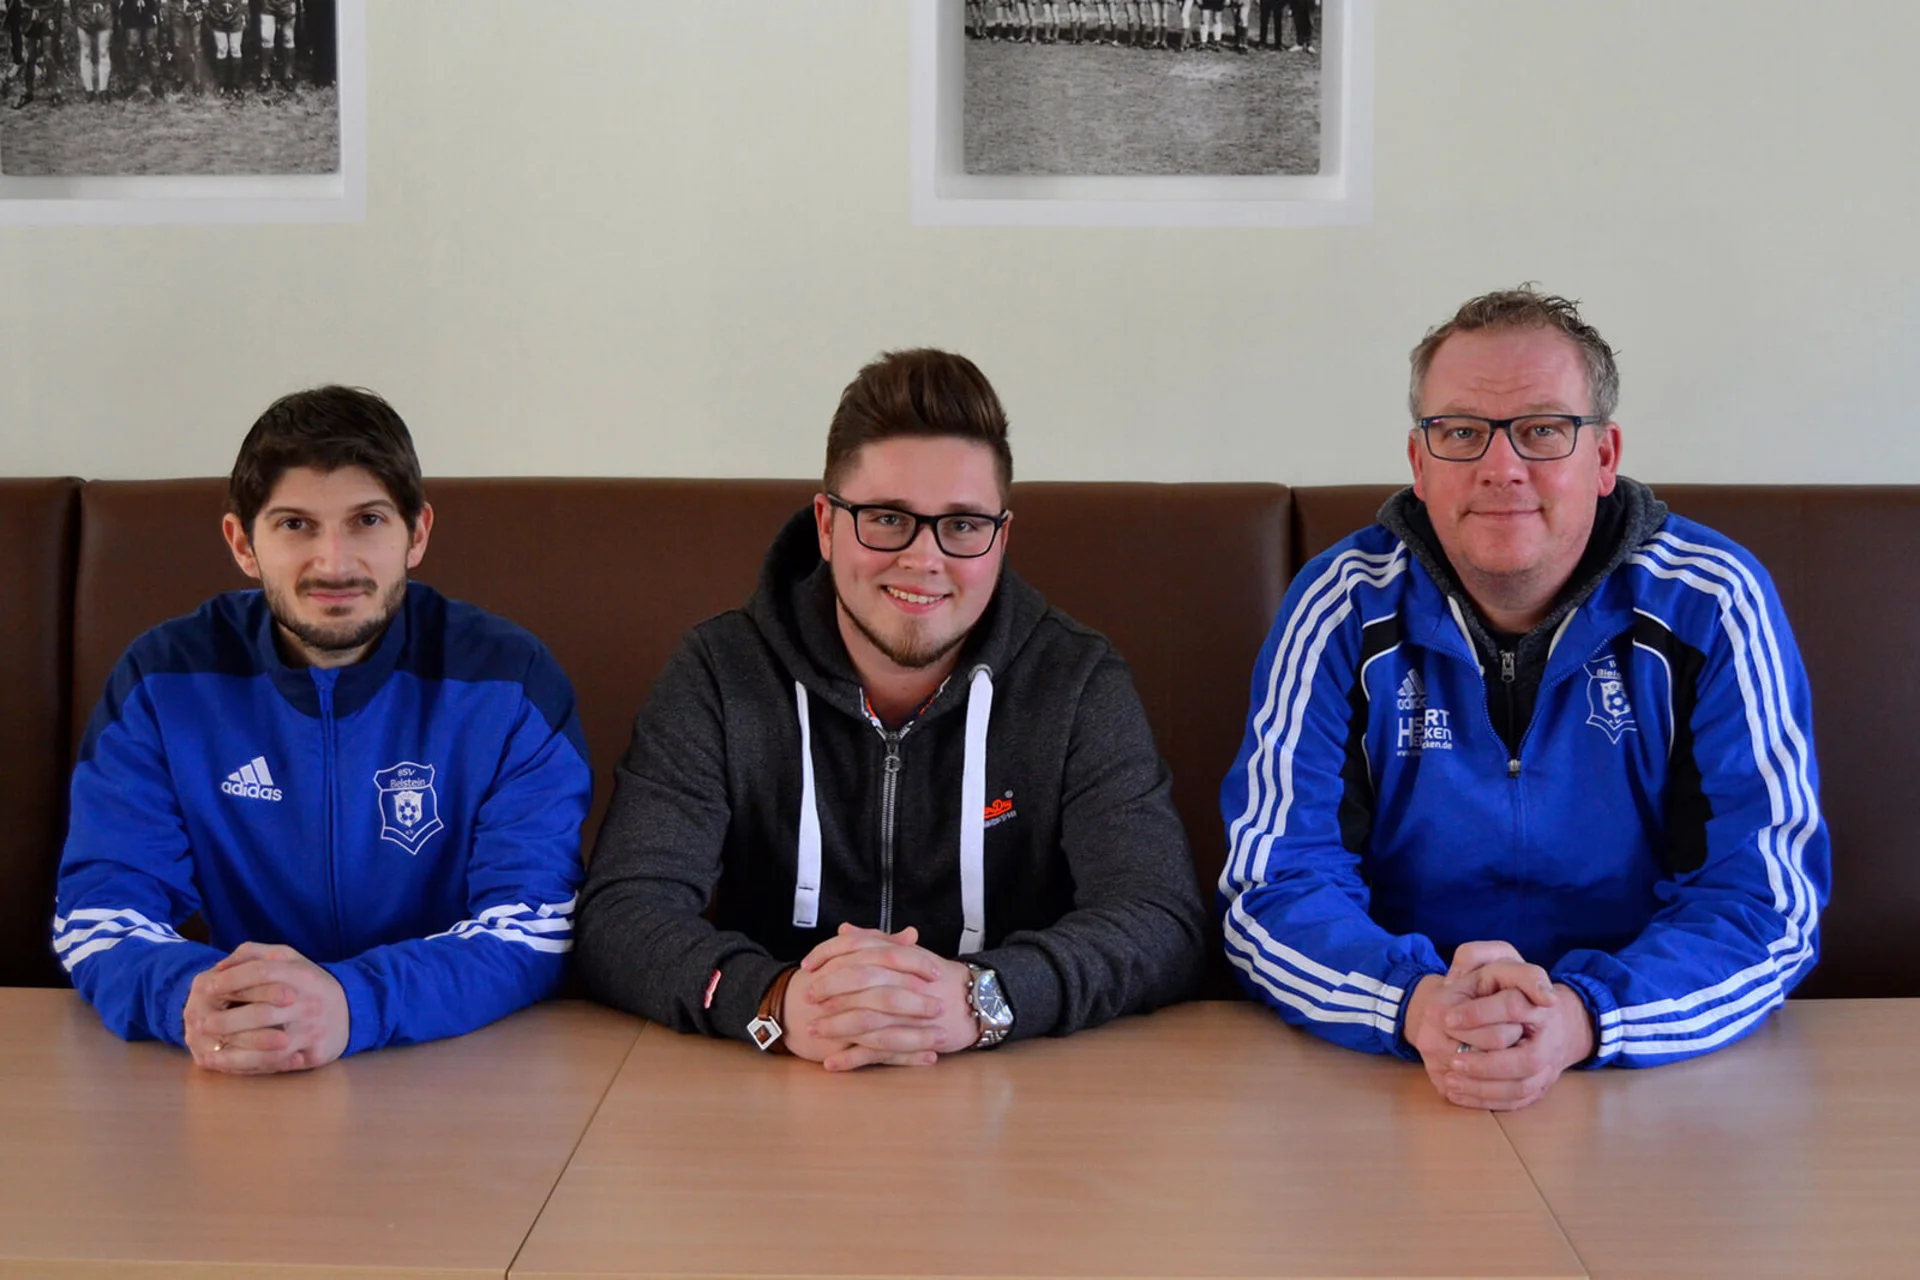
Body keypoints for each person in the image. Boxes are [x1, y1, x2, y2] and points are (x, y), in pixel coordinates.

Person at [1220, 286, 1829, 1110]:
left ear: (1605, 457)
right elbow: (1274, 885)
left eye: (1543, 430)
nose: (1501, 468)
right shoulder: (1338, 605)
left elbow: (1766, 900)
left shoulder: (1714, 603)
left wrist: (1584, 1016)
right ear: (1419, 463)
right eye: (1462, 433)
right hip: (1394, 1070)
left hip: (1649, 1081)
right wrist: (1415, 1004)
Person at [577, 349, 1205, 1071]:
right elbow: (622, 914)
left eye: (963, 525)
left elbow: (1160, 918)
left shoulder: (1076, 681)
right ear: (825, 524)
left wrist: (981, 999)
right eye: (886, 519)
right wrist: (774, 1002)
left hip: (1014, 1088)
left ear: (1001, 537)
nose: (924, 557)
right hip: (781, 1090)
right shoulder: (721, 672)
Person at [53, 386, 590, 1074]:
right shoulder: (162, 680)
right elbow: (101, 914)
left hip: (458, 1063)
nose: (334, 563)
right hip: (242, 1065)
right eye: (296, 525)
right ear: (242, 542)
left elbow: (534, 929)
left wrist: (349, 1002)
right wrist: (198, 997)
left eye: (366, 520)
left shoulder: (512, 682)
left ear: (417, 533)